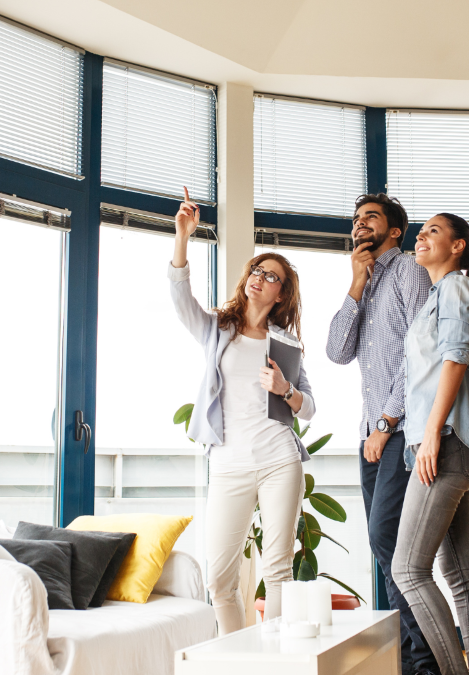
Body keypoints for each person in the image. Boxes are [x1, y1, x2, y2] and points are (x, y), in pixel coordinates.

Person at [169, 188, 316, 635]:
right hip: (229, 463)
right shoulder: (218, 328)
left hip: (278, 460)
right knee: (220, 578)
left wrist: (285, 388)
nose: (258, 276)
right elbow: (180, 300)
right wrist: (182, 238)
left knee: (277, 571)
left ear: (281, 292)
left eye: (270, 275)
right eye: (257, 269)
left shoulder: (286, 343)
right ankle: (237, 658)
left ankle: (273, 664)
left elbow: (308, 407)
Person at [326, 194, 438, 675]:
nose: (359, 224)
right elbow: (335, 351)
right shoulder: (366, 281)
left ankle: (426, 660)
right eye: (355, 219)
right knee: (387, 546)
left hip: (398, 430)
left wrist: (385, 423)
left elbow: (421, 352)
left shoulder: (408, 270)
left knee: (389, 540)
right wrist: (355, 282)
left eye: (369, 217)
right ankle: (418, 655)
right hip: (370, 435)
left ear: (394, 230)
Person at [392, 213, 469, 675]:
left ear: (457, 246)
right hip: (459, 444)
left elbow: (456, 357)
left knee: (408, 570)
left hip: (448, 441)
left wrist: (432, 432)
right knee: (460, 574)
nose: (422, 236)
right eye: (422, 230)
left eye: (433, 231)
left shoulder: (455, 286)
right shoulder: (442, 293)